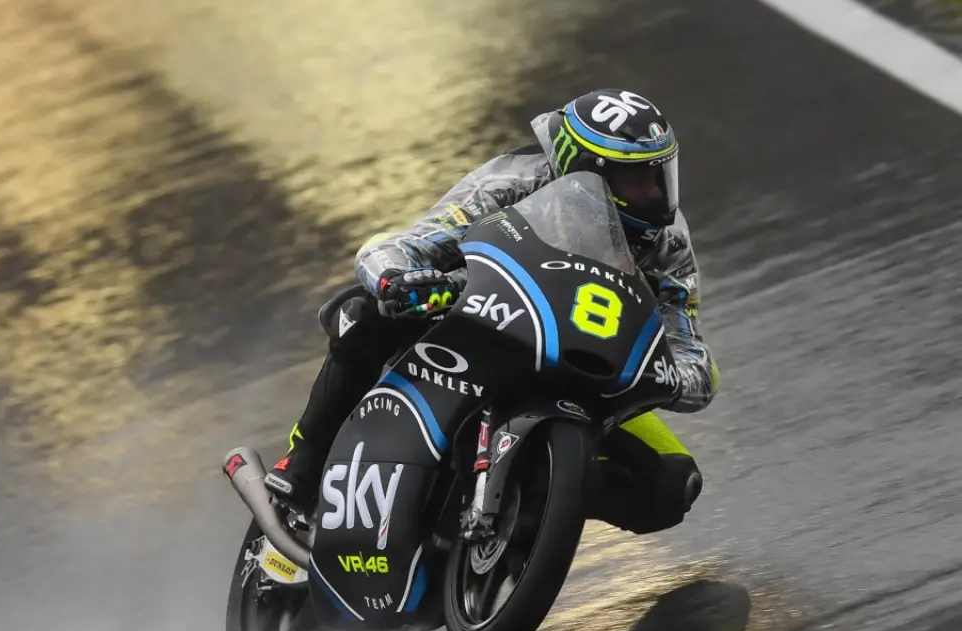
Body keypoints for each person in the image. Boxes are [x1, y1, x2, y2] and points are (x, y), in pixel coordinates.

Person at [264, 88, 720, 535]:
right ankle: (305, 461)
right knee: (365, 313)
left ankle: (536, 510)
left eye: (659, 176)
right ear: (585, 168)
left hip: (579, 367)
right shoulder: (511, 182)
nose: (654, 193)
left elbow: (688, 344)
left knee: (673, 484)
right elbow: (407, 244)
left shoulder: (668, 241)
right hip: (475, 320)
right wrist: (398, 278)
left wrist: (674, 378)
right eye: (636, 179)